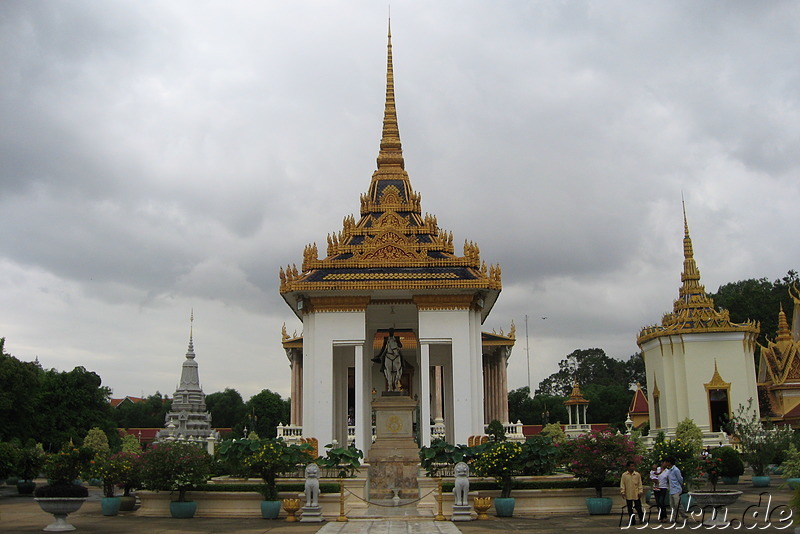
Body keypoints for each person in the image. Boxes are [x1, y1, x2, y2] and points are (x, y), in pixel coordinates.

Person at [663, 456, 687, 522]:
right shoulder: (669, 471)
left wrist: (679, 486)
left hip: (676, 489)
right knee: (672, 505)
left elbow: (680, 479)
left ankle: (684, 516)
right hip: (671, 490)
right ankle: (675, 518)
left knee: (677, 504)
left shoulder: (676, 470)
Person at [620, 461, 644, 525]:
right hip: (628, 494)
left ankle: (641, 518)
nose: (633, 467)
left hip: (636, 493)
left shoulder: (637, 475)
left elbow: (640, 484)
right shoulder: (624, 475)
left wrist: (640, 491)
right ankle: (632, 520)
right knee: (630, 508)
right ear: (628, 467)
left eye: (633, 466)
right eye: (631, 466)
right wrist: (623, 492)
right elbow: (622, 484)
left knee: (638, 507)